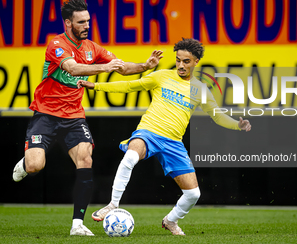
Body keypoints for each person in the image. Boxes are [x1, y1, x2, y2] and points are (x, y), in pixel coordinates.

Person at [12, 0, 163, 236]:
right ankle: (25, 163)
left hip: (74, 117)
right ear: (68, 23)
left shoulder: (93, 47)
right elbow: (72, 68)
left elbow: (121, 67)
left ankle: (77, 225)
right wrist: (105, 68)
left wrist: (145, 65)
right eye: (81, 22)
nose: (86, 25)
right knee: (34, 166)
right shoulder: (57, 45)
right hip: (46, 114)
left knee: (85, 159)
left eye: (88, 21)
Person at [77, 38, 251, 235]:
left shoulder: (201, 90)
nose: (181, 65)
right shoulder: (162, 76)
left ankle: (171, 220)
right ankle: (112, 204)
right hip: (149, 132)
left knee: (193, 194)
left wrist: (237, 125)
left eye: (186, 61)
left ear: (196, 62)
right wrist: (96, 87)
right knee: (131, 157)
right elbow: (129, 86)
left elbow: (218, 117)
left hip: (173, 143)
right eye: (178, 60)